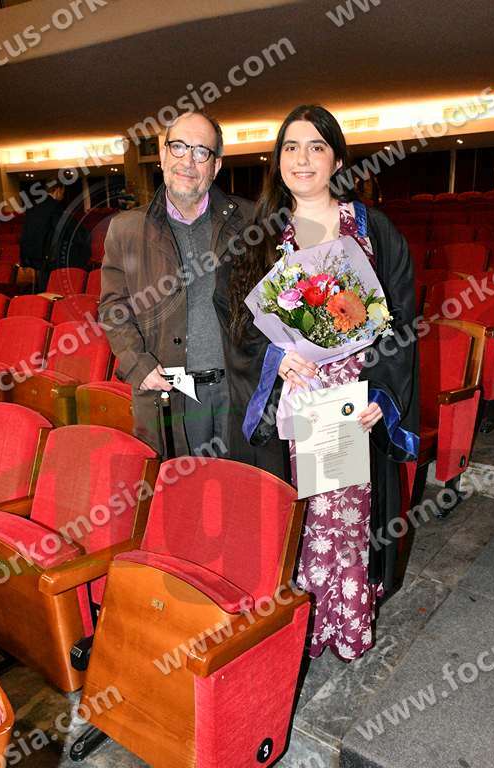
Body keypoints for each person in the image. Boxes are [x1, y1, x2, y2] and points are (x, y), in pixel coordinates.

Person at [214, 105, 419, 661]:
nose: (301, 159)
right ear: (277, 159)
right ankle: (301, 633)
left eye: (316, 146)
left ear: (338, 159)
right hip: (292, 400)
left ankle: (346, 623)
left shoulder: (373, 231)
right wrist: (274, 361)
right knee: (298, 518)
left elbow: (401, 317)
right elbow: (233, 317)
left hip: (353, 404)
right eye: (290, 147)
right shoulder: (257, 238)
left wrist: (383, 394)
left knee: (348, 520)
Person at [100, 111, 253, 456]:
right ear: (163, 153)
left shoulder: (250, 221)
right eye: (179, 147)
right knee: (179, 488)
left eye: (201, 151)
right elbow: (112, 308)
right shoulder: (126, 229)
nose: (188, 161)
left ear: (215, 165)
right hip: (168, 396)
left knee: (241, 487)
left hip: (236, 394)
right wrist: (136, 363)